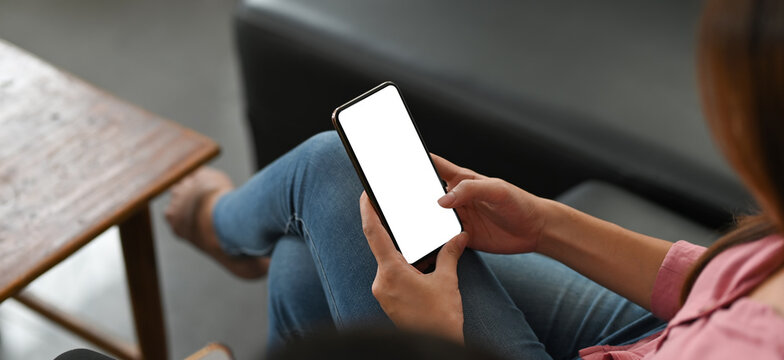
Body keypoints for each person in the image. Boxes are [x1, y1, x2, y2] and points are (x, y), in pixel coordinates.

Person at [165, 0, 784, 358]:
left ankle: (216, 225)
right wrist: (545, 224)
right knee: (307, 264)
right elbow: (709, 283)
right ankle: (224, 228)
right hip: (667, 334)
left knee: (331, 174)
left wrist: (442, 340)